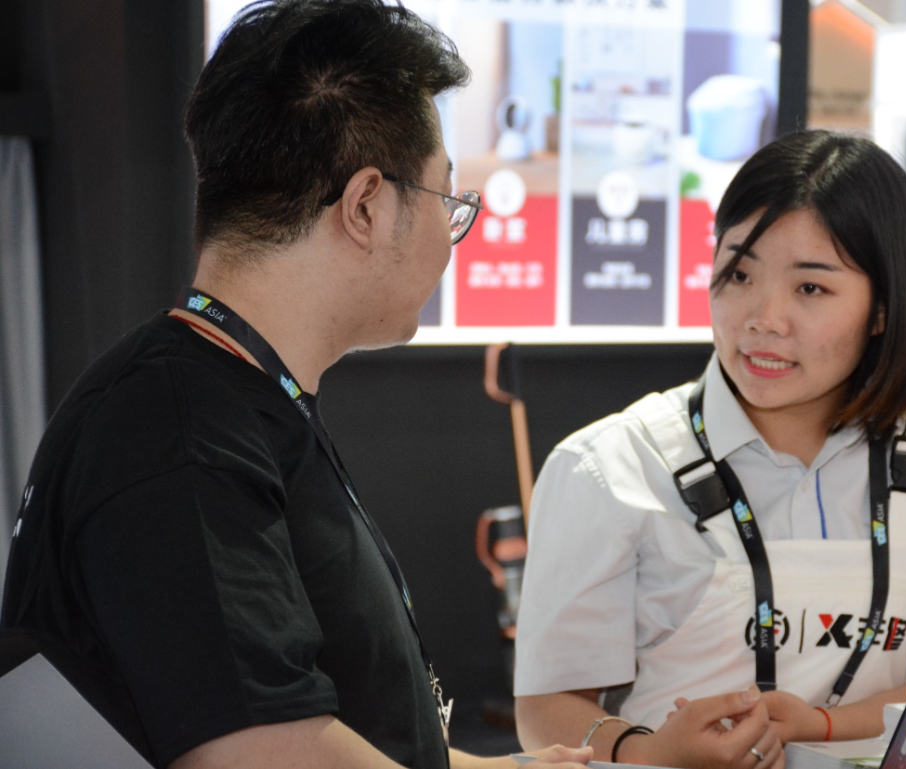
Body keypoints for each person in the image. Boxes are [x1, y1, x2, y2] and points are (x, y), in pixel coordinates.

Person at [0, 2, 594, 768]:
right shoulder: (179, 428)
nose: (452, 244)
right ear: (366, 205)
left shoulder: (225, 400)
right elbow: (260, 751)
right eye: (447, 203)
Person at [513, 131, 906, 768]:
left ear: (883, 306)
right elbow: (546, 706)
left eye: (810, 288)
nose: (763, 318)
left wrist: (823, 725)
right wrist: (647, 753)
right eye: (739, 273)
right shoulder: (608, 466)